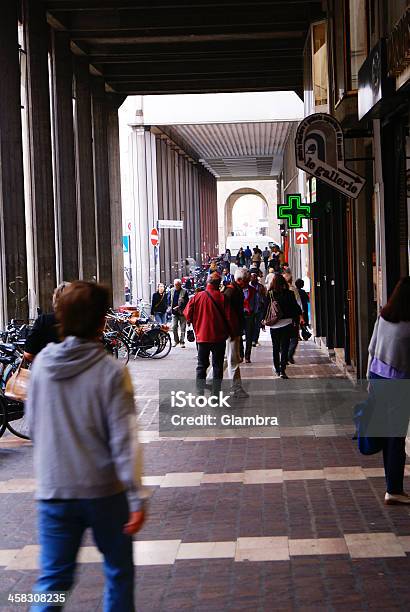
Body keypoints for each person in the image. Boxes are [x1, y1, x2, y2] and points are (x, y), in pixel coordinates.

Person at [26, 281, 145, 611]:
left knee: (52, 580)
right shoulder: (111, 372)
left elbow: (34, 425)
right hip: (104, 491)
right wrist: (135, 496)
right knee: (118, 572)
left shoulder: (42, 368)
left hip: (54, 490)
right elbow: (124, 440)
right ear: (101, 322)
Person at [367, 277, 410, 505]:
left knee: (388, 437)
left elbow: (372, 349)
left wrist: (369, 381)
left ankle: (392, 486)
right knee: (396, 439)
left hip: (378, 378)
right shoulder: (408, 327)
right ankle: (394, 489)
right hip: (398, 385)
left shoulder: (383, 317)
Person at [184, 272, 232, 394]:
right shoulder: (222, 298)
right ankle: (215, 394)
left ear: (207, 282)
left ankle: (199, 392)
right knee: (217, 366)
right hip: (219, 338)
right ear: (218, 284)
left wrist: (196, 321)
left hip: (202, 337)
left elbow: (187, 314)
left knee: (201, 365)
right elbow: (229, 317)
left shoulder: (197, 296)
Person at [263, 274, 301, 378]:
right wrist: (296, 319)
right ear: (284, 282)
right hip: (287, 323)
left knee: (275, 347)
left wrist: (263, 321)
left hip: (274, 325)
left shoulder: (270, 294)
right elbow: (296, 309)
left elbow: (265, 309)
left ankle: (277, 368)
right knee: (284, 347)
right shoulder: (290, 294)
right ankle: (282, 370)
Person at [24, 282, 70, 362]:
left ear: (55, 299)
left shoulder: (43, 321)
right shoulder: (86, 323)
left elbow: (28, 354)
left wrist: (44, 365)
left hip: (50, 372)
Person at [224, 268, 249, 399]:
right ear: (239, 280)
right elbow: (227, 312)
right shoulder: (232, 291)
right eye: (246, 281)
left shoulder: (233, 290)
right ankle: (236, 389)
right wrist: (233, 330)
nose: (247, 284)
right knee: (233, 360)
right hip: (232, 330)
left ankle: (209, 381)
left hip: (232, 329)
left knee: (226, 358)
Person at [283, 272, 303, 364]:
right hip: (293, 317)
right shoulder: (293, 290)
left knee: (285, 338)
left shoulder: (278, 290)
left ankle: (285, 355)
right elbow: (299, 304)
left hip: (282, 319)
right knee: (294, 337)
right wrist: (301, 316)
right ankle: (289, 354)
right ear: (291, 280)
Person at [169, 279, 189, 348]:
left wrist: (179, 306)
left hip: (182, 312)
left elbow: (187, 302)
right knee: (174, 326)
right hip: (174, 312)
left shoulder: (184, 291)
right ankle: (176, 341)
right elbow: (170, 299)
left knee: (183, 328)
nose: (176, 286)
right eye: (175, 285)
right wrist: (170, 307)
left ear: (180, 285)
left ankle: (182, 342)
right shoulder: (171, 290)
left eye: (177, 285)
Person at [241, 274, 257, 364]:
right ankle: (241, 353)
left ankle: (247, 356)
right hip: (240, 315)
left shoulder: (253, 290)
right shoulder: (238, 290)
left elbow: (256, 302)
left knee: (249, 336)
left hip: (249, 315)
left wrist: (254, 313)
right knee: (238, 335)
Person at [250, 272, 267, 347]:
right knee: (251, 325)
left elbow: (264, 297)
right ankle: (251, 339)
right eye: (252, 277)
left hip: (259, 308)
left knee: (257, 325)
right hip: (251, 309)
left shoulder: (261, 287)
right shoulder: (248, 287)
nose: (253, 278)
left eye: (254, 277)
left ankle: (255, 340)